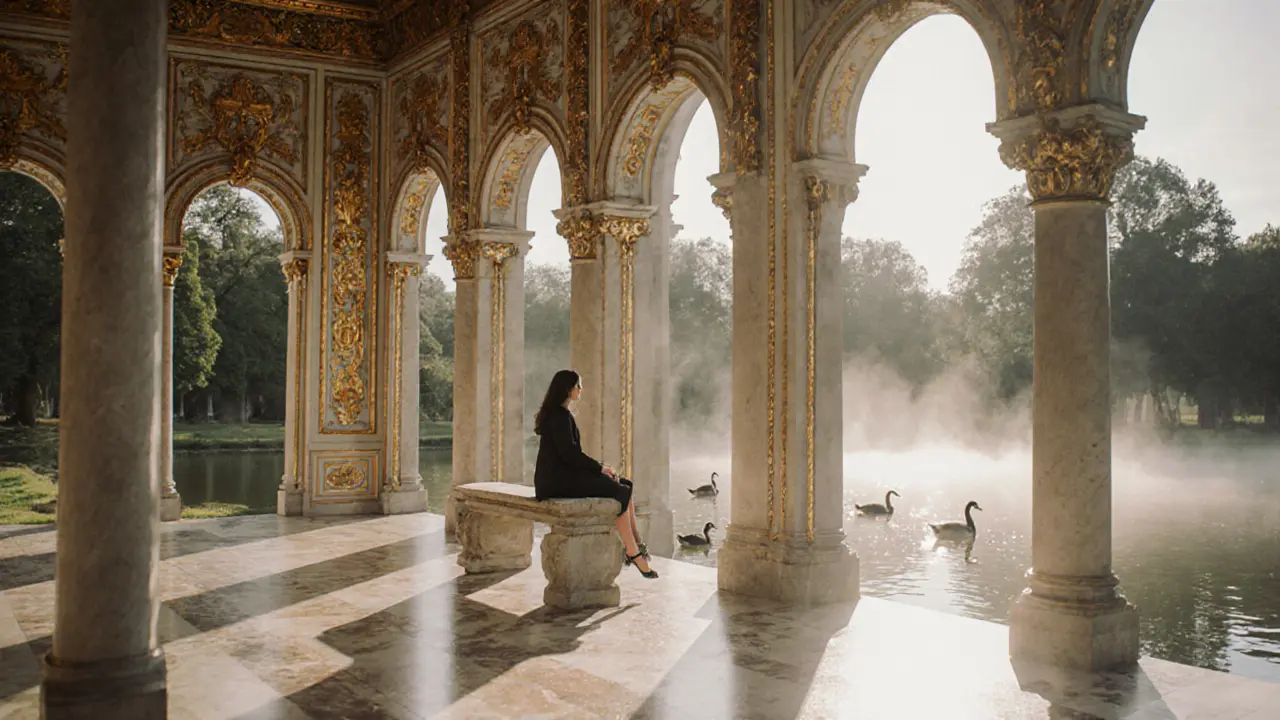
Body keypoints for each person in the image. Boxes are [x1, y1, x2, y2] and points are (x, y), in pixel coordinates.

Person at [533, 369, 658, 579]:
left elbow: (570, 456)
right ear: (568, 389)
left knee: (624, 483)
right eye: (578, 386)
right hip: (557, 482)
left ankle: (634, 541)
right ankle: (633, 552)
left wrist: (599, 469)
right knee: (618, 490)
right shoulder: (560, 417)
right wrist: (600, 468)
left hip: (559, 477)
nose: (581, 390)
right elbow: (570, 455)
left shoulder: (556, 414)